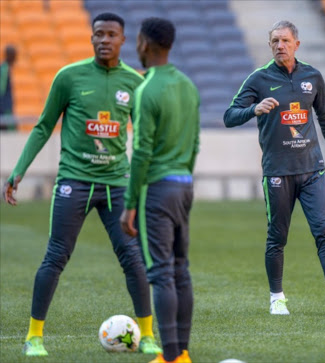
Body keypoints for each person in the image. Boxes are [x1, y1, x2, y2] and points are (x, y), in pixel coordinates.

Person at [2, 13, 161, 357]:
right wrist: (18, 171)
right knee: (56, 256)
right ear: (91, 39)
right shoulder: (69, 77)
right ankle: (34, 336)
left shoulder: (135, 83)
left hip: (117, 184)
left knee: (133, 258)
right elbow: (43, 126)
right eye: (98, 34)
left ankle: (147, 334)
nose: (104, 40)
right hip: (74, 182)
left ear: (123, 40)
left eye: (111, 35)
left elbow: (147, 137)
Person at [223, 20, 325, 316]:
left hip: (312, 170)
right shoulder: (258, 80)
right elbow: (229, 116)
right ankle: (277, 298)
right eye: (274, 41)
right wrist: (253, 109)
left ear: (297, 43)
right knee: (277, 237)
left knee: (324, 230)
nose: (279, 46)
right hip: (277, 173)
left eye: (284, 40)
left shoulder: (313, 76)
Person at [120, 17, 199, 363]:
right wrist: (183, 177)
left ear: (145, 45)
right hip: (184, 185)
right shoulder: (188, 85)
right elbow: (195, 143)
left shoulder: (145, 89)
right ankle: (181, 354)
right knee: (181, 269)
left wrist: (130, 203)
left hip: (157, 189)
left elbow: (141, 153)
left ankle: (168, 357)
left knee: (161, 272)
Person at [0, 44, 17, 130]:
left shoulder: (6, 68)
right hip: (4, 109)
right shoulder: (4, 69)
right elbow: (1, 91)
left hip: (6, 108)